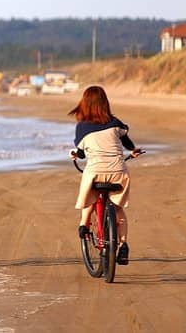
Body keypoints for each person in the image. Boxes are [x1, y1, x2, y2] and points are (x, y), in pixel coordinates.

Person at [69, 85, 143, 265]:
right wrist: (133, 150)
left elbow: (82, 154)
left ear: (84, 104)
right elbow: (126, 141)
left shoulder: (82, 127)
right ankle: (123, 244)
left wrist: (75, 155)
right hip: (118, 172)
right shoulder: (116, 123)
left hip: (96, 172)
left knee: (90, 195)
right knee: (118, 208)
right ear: (105, 103)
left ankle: (84, 224)